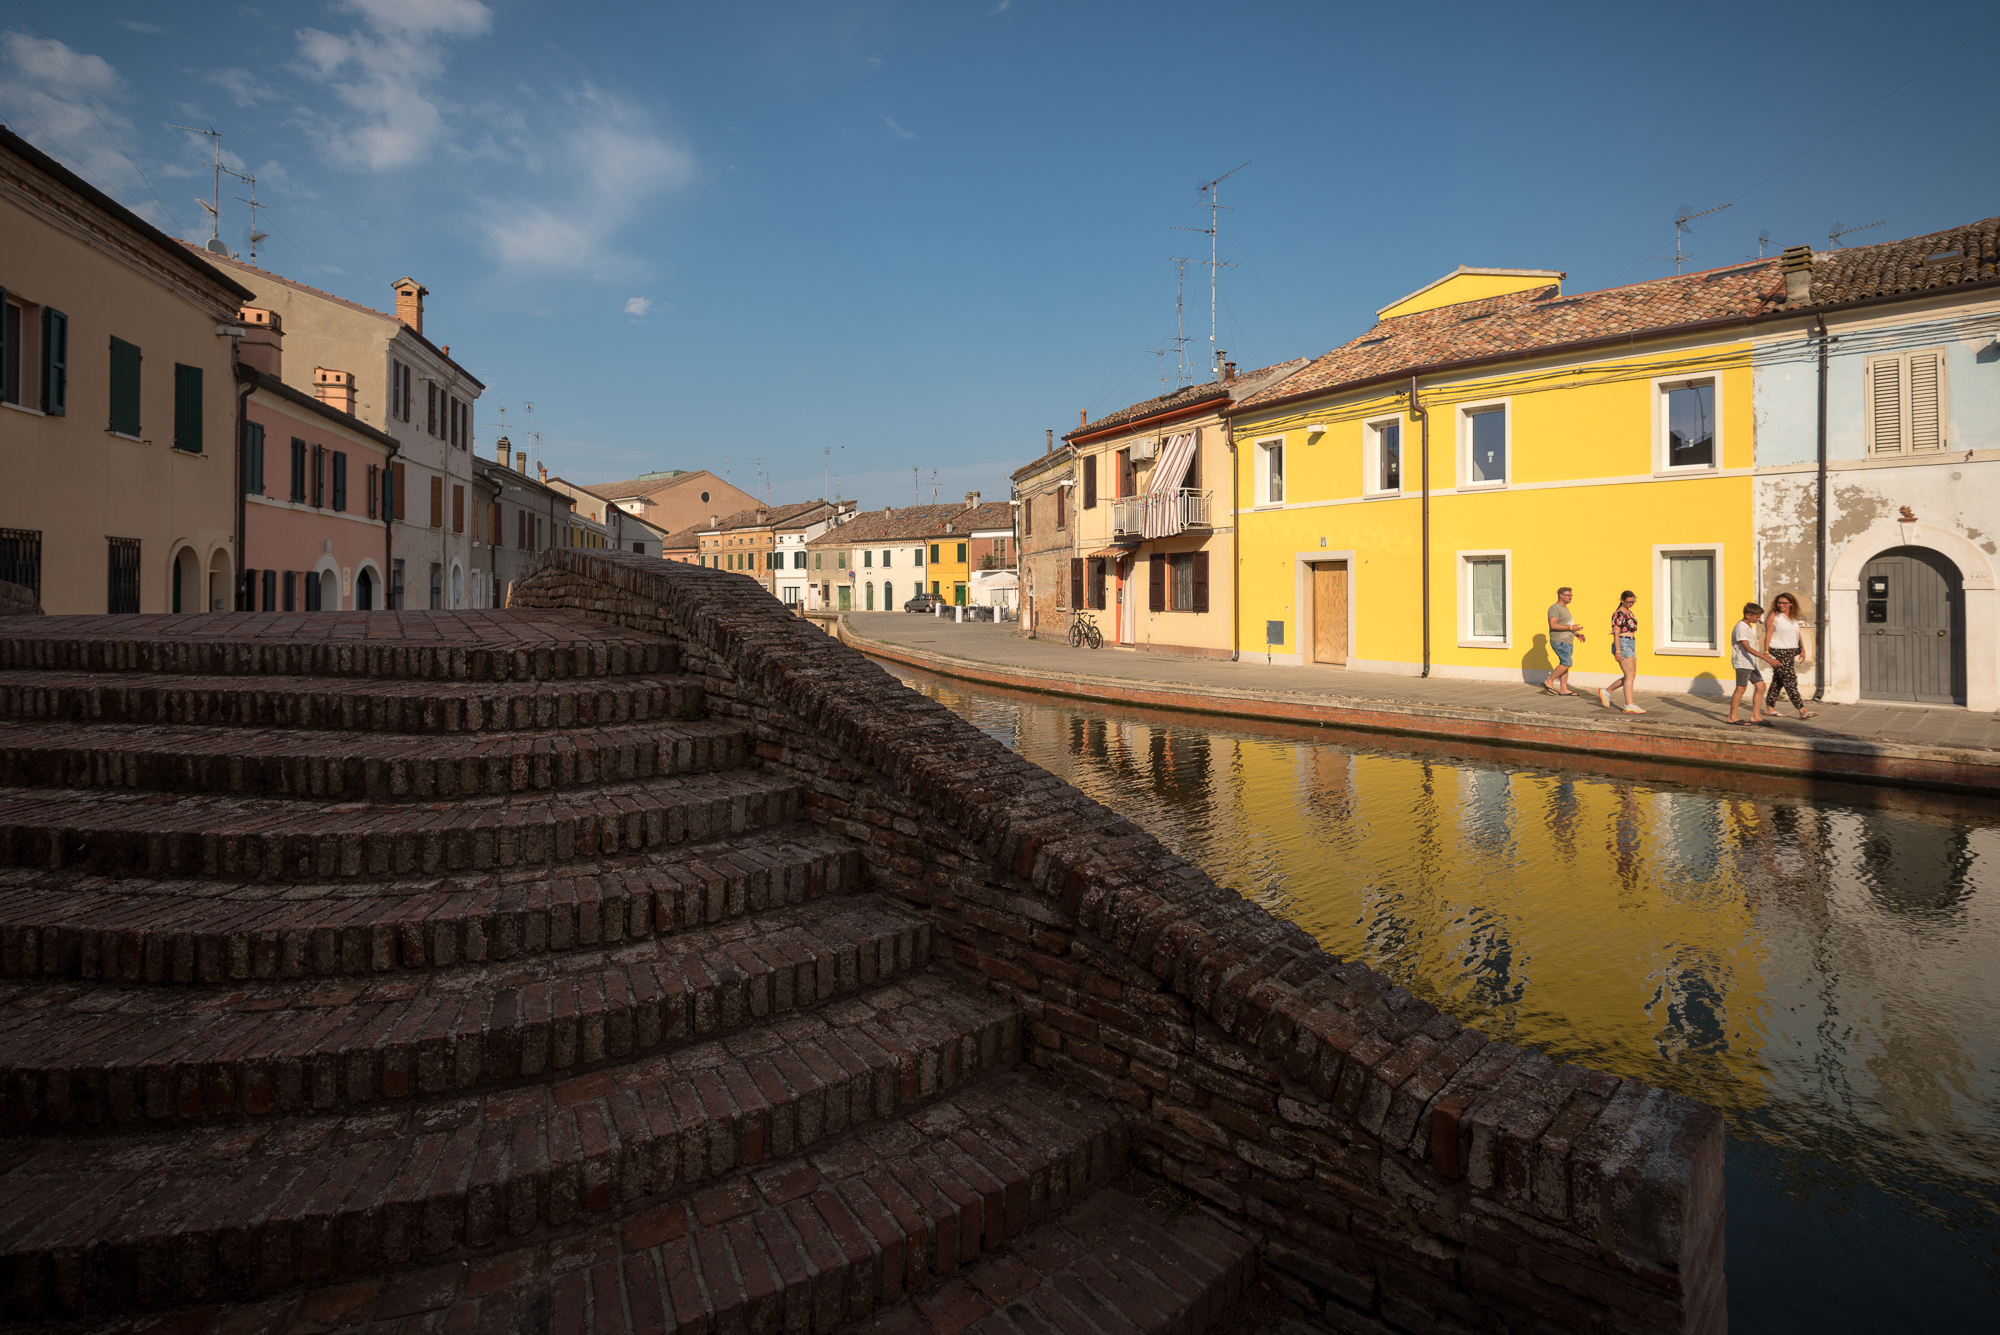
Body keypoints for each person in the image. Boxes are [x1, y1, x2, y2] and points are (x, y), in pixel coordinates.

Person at [1763, 592, 1819, 719]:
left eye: (1784, 603)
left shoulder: (1793, 617)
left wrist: (1802, 649)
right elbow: (1768, 635)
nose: (1781, 605)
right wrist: (1766, 653)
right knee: (1790, 679)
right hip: (1778, 652)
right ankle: (1802, 709)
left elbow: (1797, 633)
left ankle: (1769, 707)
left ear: (1791, 604)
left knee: (1778, 680)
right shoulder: (1774, 616)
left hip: (1790, 652)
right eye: (1779, 602)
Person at [1728, 602, 1779, 724]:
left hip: (1750, 662)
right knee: (1741, 688)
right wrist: (1766, 658)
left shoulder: (1748, 626)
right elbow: (1746, 647)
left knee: (1761, 686)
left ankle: (1755, 716)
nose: (1758, 619)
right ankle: (1732, 717)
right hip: (1742, 662)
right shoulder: (1740, 628)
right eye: (1757, 617)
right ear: (1748, 615)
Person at [1599, 591, 1644, 713]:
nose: (1631, 604)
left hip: (1631, 642)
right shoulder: (1618, 614)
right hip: (1623, 643)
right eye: (1629, 602)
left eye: (1633, 602)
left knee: (1631, 675)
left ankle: (1606, 691)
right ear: (1622, 600)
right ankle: (1629, 704)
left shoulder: (1629, 612)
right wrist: (1618, 651)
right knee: (1629, 675)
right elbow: (1616, 633)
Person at [1544, 586, 1585, 696]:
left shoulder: (1565, 609)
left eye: (1571, 595)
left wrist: (1576, 634)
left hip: (1567, 640)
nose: (1571, 597)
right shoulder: (1554, 608)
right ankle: (1549, 681)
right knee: (1567, 663)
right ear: (1561, 596)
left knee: (1564, 664)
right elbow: (1553, 625)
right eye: (1568, 595)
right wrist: (1571, 628)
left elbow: (1566, 625)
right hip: (1559, 641)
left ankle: (1564, 689)